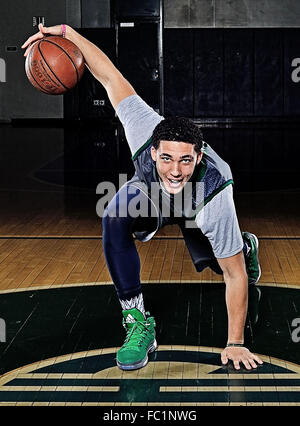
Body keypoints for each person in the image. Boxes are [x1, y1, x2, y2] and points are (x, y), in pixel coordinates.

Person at [22, 24, 263, 372]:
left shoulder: (216, 191)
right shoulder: (142, 125)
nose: (176, 170)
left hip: (198, 203)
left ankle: (245, 246)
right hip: (152, 194)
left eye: (185, 160)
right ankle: (138, 324)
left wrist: (235, 343)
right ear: (152, 152)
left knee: (222, 261)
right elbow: (107, 74)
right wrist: (65, 33)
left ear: (198, 157)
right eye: (166, 158)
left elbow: (235, 276)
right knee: (115, 214)